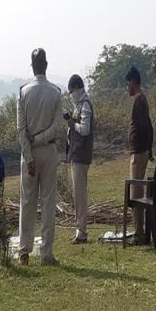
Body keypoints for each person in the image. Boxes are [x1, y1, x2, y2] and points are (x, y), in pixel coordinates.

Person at [17, 48, 64, 266]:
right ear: (46, 65)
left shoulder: (23, 92)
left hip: (29, 154)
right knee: (47, 203)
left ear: (32, 65)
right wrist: (40, 139)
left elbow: (20, 130)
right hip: (48, 151)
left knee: (27, 203)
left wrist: (28, 155)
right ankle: (46, 253)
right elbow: (56, 128)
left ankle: (24, 250)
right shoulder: (55, 92)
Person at [125, 66, 154, 246]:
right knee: (135, 192)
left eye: (127, 83)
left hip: (139, 153)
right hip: (140, 151)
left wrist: (146, 148)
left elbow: (145, 127)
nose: (126, 87)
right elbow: (149, 126)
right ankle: (139, 231)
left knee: (136, 194)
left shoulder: (139, 100)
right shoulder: (140, 99)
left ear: (133, 82)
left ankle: (139, 234)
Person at [66, 74, 94, 244]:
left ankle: (82, 232)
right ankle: (79, 230)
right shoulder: (80, 104)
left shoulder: (85, 105)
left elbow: (84, 130)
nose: (71, 95)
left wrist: (72, 124)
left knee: (80, 195)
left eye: (71, 91)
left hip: (81, 155)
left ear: (77, 88)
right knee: (78, 194)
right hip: (77, 154)